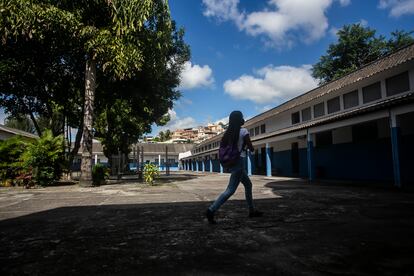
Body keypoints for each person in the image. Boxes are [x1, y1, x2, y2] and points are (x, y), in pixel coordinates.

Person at [206, 111, 263, 224]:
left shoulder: (227, 133)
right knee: (230, 190)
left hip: (233, 162)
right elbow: (251, 147)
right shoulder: (244, 131)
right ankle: (211, 210)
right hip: (239, 162)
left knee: (248, 184)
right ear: (240, 119)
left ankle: (252, 211)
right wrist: (248, 148)